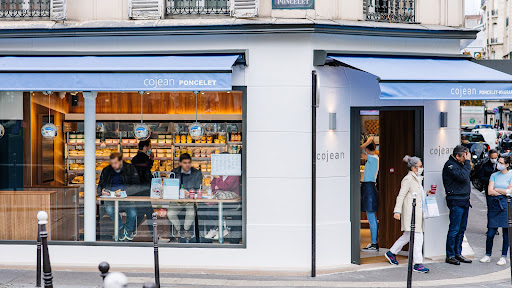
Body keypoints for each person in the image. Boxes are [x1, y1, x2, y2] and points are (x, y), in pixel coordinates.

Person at [385, 155, 431, 273]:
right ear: (414, 168)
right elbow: (401, 195)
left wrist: (426, 193)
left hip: (416, 212)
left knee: (407, 235)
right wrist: (397, 211)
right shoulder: (408, 179)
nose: (422, 168)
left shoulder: (417, 178)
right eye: (420, 166)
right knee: (418, 237)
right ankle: (418, 263)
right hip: (412, 213)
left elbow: (416, 195)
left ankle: (391, 252)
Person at [97, 152, 140, 241]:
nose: (113, 165)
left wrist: (125, 192)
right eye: (112, 163)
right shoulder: (106, 170)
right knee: (109, 209)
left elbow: (137, 185)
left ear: (121, 161)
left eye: (115, 163)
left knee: (133, 213)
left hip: (126, 197)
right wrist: (101, 191)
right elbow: (100, 186)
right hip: (111, 198)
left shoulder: (130, 169)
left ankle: (128, 230)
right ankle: (121, 228)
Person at [443, 145, 473, 265]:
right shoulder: (450, 165)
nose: (465, 159)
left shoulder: (460, 164)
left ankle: (457, 253)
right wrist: (467, 162)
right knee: (454, 229)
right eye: (464, 157)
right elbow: (463, 177)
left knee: (461, 229)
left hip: (464, 200)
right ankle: (450, 255)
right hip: (455, 200)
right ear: (457, 156)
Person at [480, 155, 512, 266]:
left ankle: (503, 256)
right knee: (490, 232)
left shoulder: (511, 175)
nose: (499, 164)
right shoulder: (494, 175)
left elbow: (510, 192)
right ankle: (487, 254)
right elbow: (489, 191)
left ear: (507, 165)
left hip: (506, 205)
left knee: (506, 233)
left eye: (501, 162)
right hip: (494, 204)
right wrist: (503, 191)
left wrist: (497, 189)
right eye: (498, 162)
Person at [166, 153, 203, 242]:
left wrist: (190, 192)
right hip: (177, 199)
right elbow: (170, 186)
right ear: (180, 163)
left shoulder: (197, 173)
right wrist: (178, 192)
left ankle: (186, 230)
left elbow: (198, 187)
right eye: (185, 163)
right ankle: (178, 229)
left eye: (189, 162)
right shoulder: (174, 172)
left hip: (189, 200)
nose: (187, 165)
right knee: (170, 213)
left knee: (191, 213)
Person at [204, 174, 240, 240]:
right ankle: (217, 228)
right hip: (220, 200)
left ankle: (222, 229)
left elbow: (227, 187)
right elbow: (212, 186)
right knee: (208, 210)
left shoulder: (233, 175)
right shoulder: (220, 175)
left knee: (213, 211)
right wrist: (219, 187)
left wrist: (218, 179)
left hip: (230, 203)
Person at [131, 139, 155, 236]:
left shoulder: (135, 158)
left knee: (142, 212)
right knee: (148, 212)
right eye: (149, 146)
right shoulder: (144, 158)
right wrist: (151, 159)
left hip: (137, 188)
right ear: (145, 147)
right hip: (144, 188)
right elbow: (146, 171)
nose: (150, 148)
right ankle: (153, 234)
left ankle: (130, 231)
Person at [360, 136, 379, 251]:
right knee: (371, 216)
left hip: (369, 187)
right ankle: (374, 242)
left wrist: (367, 142)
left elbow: (356, 151)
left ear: (367, 149)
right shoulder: (373, 158)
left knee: (371, 217)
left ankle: (374, 243)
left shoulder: (373, 158)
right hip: (369, 187)